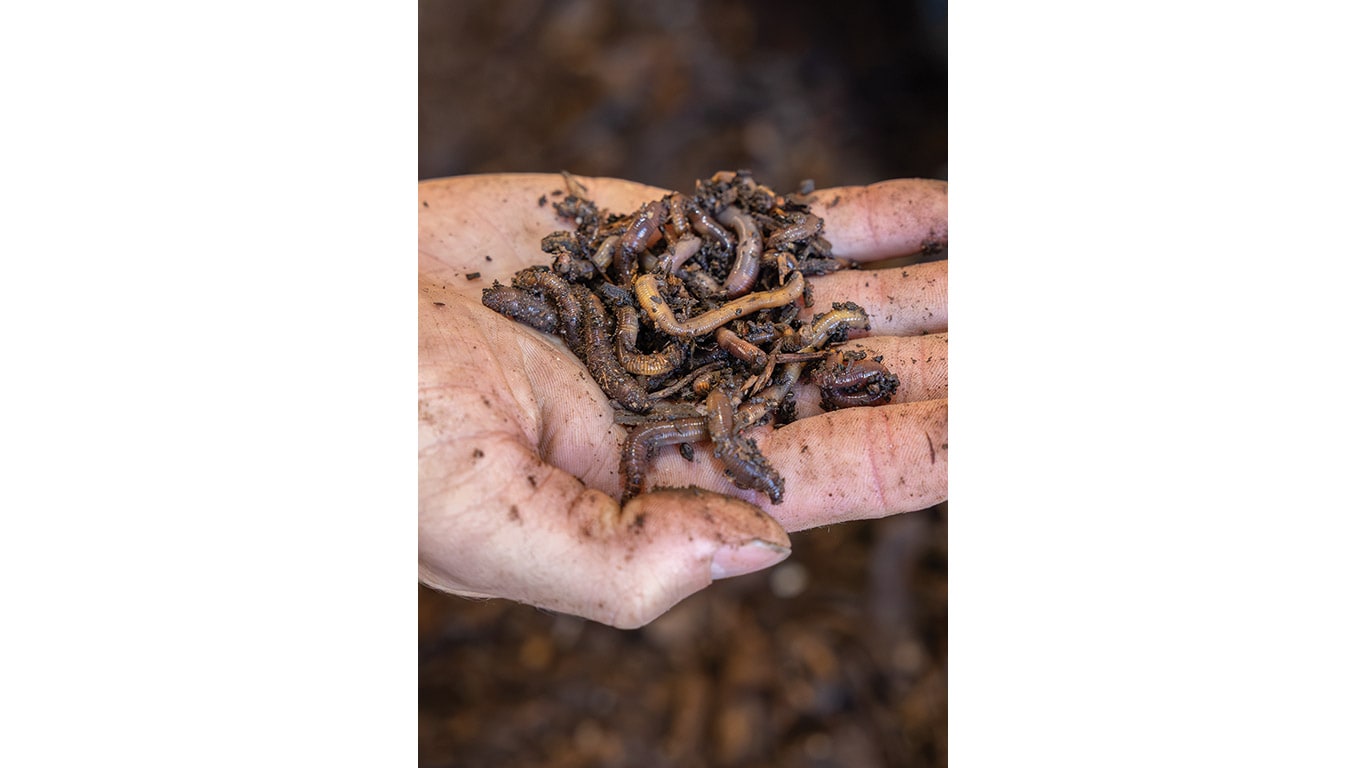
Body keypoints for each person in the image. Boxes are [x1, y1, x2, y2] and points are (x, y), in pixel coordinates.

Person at [419, 173, 947, 628]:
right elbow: (646, 318)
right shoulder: (633, 322)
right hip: (657, 363)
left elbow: (717, 303)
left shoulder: (730, 306)